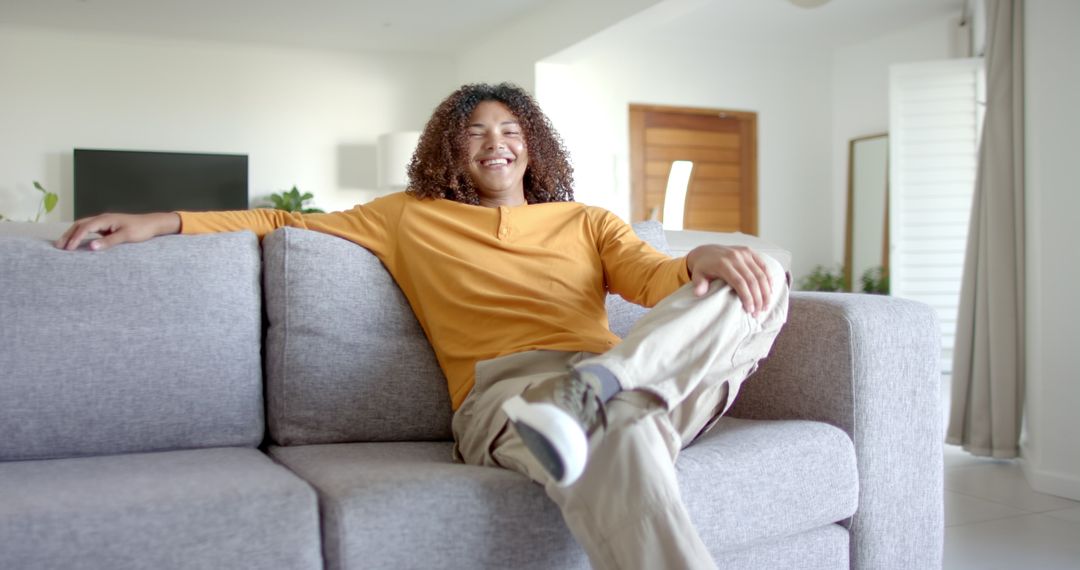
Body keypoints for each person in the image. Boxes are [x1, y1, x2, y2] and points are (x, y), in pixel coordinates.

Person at [56, 82, 789, 569]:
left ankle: (606, 383)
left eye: (509, 129)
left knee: (767, 277)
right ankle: (595, 400)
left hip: (625, 372)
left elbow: (658, 280)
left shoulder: (587, 220)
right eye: (474, 132)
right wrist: (162, 219)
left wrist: (705, 258)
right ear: (449, 148)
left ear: (533, 143)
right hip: (514, 397)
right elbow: (283, 220)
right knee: (623, 431)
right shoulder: (406, 217)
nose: (493, 142)